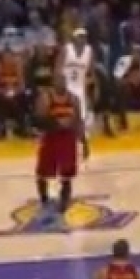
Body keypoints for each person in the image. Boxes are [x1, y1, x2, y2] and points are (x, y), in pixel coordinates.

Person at [35, 77, 81, 216]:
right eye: (58, 81)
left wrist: (83, 141)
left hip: (68, 138)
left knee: (67, 171)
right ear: (53, 83)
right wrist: (56, 124)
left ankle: (64, 199)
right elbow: (38, 120)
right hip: (51, 137)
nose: (61, 83)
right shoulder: (45, 98)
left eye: (63, 81)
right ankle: (43, 197)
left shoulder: (74, 99)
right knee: (43, 171)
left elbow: (78, 120)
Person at [59, 28, 94, 159]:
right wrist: (60, 88)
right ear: (74, 38)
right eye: (79, 36)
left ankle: (84, 144)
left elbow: (91, 73)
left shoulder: (89, 51)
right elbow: (58, 70)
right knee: (64, 117)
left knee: (81, 119)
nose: (82, 38)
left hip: (80, 89)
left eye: (84, 36)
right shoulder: (66, 50)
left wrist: (89, 86)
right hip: (66, 88)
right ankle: (65, 147)